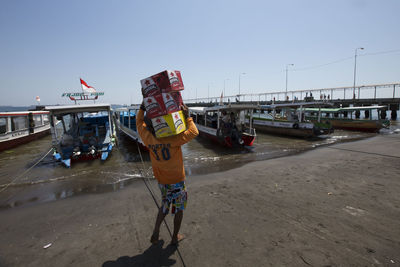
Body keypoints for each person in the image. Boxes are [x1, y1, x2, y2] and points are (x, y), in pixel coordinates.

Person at [136, 102, 199, 246]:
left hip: (162, 180)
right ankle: (175, 236)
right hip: (177, 180)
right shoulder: (174, 139)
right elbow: (194, 131)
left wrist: (142, 107)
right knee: (179, 209)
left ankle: (156, 229)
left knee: (165, 204)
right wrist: (188, 117)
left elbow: (139, 122)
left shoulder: (148, 138)